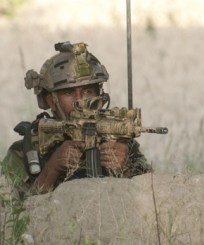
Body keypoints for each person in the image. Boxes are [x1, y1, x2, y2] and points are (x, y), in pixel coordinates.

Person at [1, 42, 151, 198]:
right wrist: (51, 169)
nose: (80, 100)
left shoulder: (120, 142)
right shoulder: (24, 150)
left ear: (99, 95)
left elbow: (151, 199)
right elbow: (15, 213)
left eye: (88, 91)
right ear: (52, 101)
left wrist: (125, 168)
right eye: (69, 93)